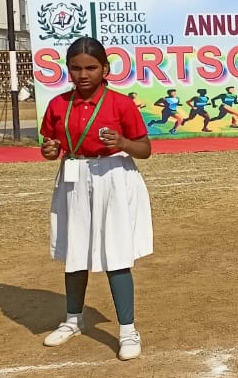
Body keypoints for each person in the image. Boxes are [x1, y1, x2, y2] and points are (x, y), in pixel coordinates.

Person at [38, 37, 153, 361]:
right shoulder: (58, 105)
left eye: (91, 68)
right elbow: (52, 147)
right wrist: (49, 151)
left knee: (116, 252)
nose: (83, 74)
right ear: (68, 69)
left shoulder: (120, 104)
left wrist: (122, 142)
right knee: (75, 250)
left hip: (113, 177)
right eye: (76, 68)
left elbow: (145, 150)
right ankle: (73, 319)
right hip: (74, 177)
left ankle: (128, 330)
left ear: (105, 69)